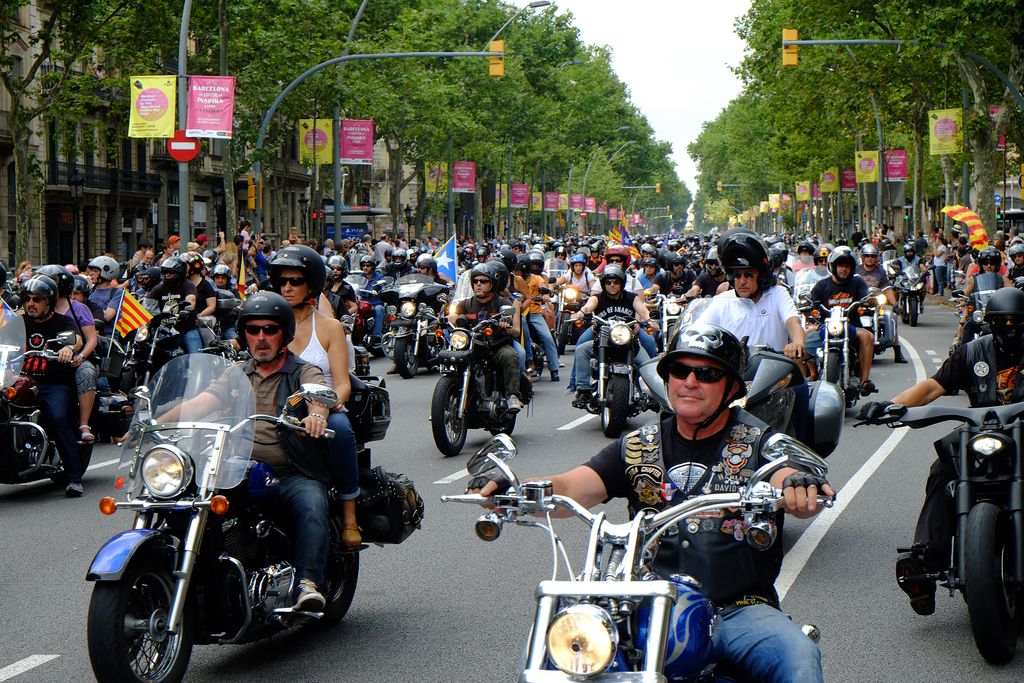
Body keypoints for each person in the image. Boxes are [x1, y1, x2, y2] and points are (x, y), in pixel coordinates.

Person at [470, 324, 833, 682]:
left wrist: (800, 488)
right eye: (680, 370)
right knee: (555, 648)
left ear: (731, 387)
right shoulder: (637, 446)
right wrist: (513, 486)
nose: (690, 382)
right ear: (667, 378)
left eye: (706, 373)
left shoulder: (758, 442)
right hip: (647, 601)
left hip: (740, 608)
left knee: (798, 656)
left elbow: (785, 474)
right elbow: (571, 487)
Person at [160, 292, 334, 611]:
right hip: (240, 469)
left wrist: (316, 417)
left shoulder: (303, 372)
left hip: (290, 470)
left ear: (285, 334)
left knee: (312, 503)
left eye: (270, 329)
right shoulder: (238, 373)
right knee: (188, 501)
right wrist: (155, 422)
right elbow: (201, 404)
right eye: (253, 330)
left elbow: (317, 399)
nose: (261, 337)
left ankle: (309, 582)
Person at [860, 286, 1024, 616]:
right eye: (1000, 322)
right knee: (942, 468)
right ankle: (925, 560)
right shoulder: (972, 352)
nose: (1008, 329)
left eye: (1015, 322)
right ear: (988, 324)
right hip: (982, 434)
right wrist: (890, 406)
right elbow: (933, 386)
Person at [19, 274, 85, 496]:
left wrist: (69, 348)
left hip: (53, 383)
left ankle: (74, 478)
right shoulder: (19, 321)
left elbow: (77, 339)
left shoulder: (62, 322)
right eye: (27, 298)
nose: (31, 303)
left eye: (37, 299)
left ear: (49, 301)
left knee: (57, 417)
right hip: (19, 381)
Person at [568, 265, 656, 403]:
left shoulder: (631, 297)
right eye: (608, 282)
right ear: (603, 284)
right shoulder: (598, 298)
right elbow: (588, 306)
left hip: (628, 338)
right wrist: (580, 313)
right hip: (602, 337)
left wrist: (649, 320)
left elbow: (643, 310)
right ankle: (582, 390)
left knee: (647, 359)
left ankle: (653, 392)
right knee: (581, 349)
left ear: (621, 283)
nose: (612, 285)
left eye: (616, 282)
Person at [447, 262, 524, 413]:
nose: (478, 285)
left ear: (492, 284)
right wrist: (449, 319)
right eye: (475, 281)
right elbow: (452, 315)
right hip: (473, 346)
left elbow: (515, 330)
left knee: (510, 356)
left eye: (483, 281)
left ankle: (513, 395)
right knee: (450, 357)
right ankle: (451, 390)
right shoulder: (466, 304)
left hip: (495, 346)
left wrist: (505, 325)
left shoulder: (503, 303)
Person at [39, 265, 99, 444]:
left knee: (86, 373)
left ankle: (84, 424)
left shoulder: (79, 309)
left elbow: (91, 340)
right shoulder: (40, 307)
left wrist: (80, 356)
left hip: (76, 359)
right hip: (44, 358)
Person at [809, 246, 876, 395]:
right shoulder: (822, 286)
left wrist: (870, 300)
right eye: (840, 265)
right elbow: (811, 303)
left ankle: (865, 380)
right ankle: (809, 375)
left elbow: (867, 297)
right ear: (833, 266)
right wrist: (808, 307)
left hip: (851, 326)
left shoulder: (857, 283)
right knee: (801, 337)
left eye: (847, 266)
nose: (843, 269)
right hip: (826, 326)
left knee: (868, 336)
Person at [855, 243, 907, 363]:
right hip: (860, 303)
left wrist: (895, 304)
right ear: (862, 257)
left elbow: (887, 288)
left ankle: (898, 353)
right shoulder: (856, 270)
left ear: (876, 258)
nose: (870, 258)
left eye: (872, 256)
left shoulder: (881, 271)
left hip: (876, 303)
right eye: (867, 256)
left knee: (891, 319)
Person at [512, 254, 560, 382]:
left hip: (534, 313)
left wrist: (544, 293)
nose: (516, 272)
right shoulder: (514, 280)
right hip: (519, 314)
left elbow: (544, 288)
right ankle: (526, 362)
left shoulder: (536, 278)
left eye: (518, 270)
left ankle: (554, 369)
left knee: (547, 337)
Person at [144, 255, 202, 354]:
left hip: (186, 329)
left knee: (196, 356)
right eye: (165, 272)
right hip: (165, 330)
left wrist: (187, 309)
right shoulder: (160, 287)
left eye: (171, 272)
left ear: (180, 272)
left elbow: (191, 300)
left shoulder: (188, 285)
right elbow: (147, 303)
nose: (168, 274)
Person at [86, 256, 125, 338]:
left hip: (107, 337)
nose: (90, 273)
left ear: (106, 272)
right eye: (91, 271)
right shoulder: (89, 291)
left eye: (95, 271)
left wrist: (86, 309)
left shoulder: (117, 292)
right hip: (90, 333)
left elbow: (108, 316)